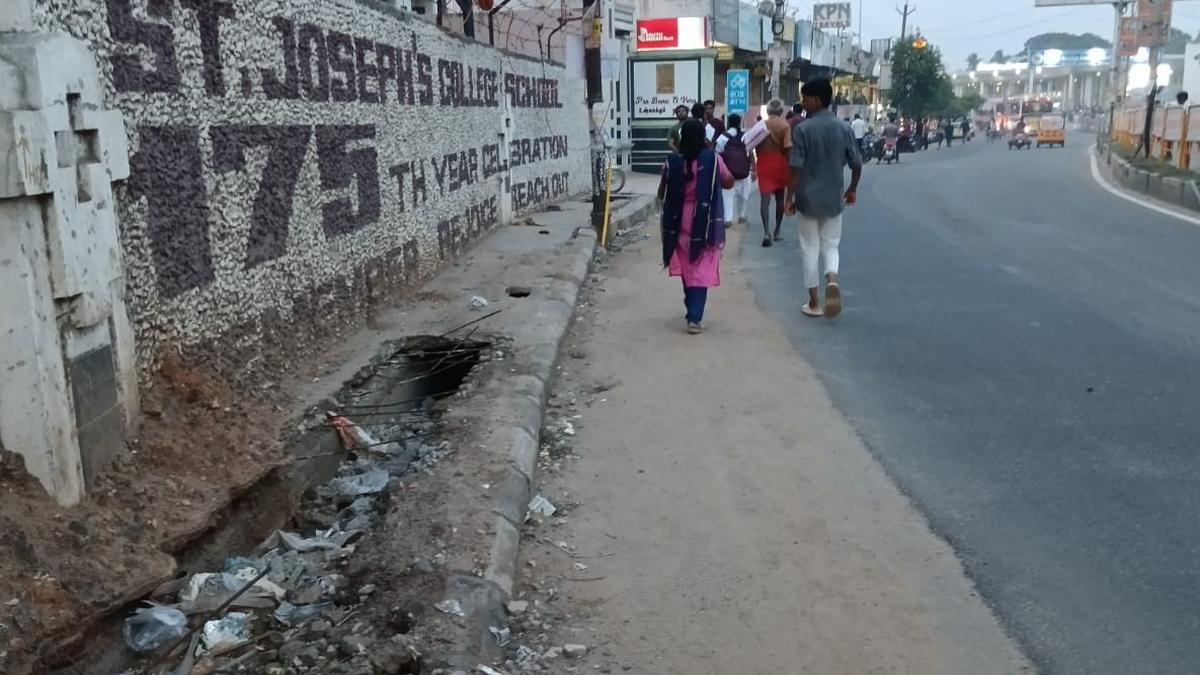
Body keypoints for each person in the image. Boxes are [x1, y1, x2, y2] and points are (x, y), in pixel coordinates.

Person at [788, 78, 862, 319]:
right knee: (831, 244)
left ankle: (814, 302)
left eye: (805, 98)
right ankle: (832, 278)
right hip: (833, 198)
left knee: (809, 248)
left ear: (817, 99)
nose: (803, 103)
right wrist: (852, 188)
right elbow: (857, 163)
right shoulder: (844, 128)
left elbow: (796, 167)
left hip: (807, 198)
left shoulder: (803, 129)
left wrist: (789, 197)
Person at [657, 119, 734, 334]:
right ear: (703, 137)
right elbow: (728, 181)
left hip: (679, 219)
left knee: (686, 265)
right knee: (701, 267)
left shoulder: (672, 161)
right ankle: (695, 317)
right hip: (705, 219)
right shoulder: (712, 159)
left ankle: (691, 307)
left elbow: (662, 191)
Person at [743, 98, 793, 247]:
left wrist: (753, 164)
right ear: (781, 110)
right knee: (779, 199)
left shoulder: (761, 125)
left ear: (769, 110)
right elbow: (788, 147)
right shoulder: (785, 125)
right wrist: (791, 167)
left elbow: (750, 143)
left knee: (765, 200)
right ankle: (777, 231)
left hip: (764, 162)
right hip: (780, 162)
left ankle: (766, 232)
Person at [716, 113, 752, 226]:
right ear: (739, 122)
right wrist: (753, 168)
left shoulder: (723, 137)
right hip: (744, 171)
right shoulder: (745, 136)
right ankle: (742, 215)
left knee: (728, 195)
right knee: (744, 194)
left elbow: (717, 153)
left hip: (728, 171)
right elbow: (750, 152)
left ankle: (728, 219)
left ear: (729, 122)